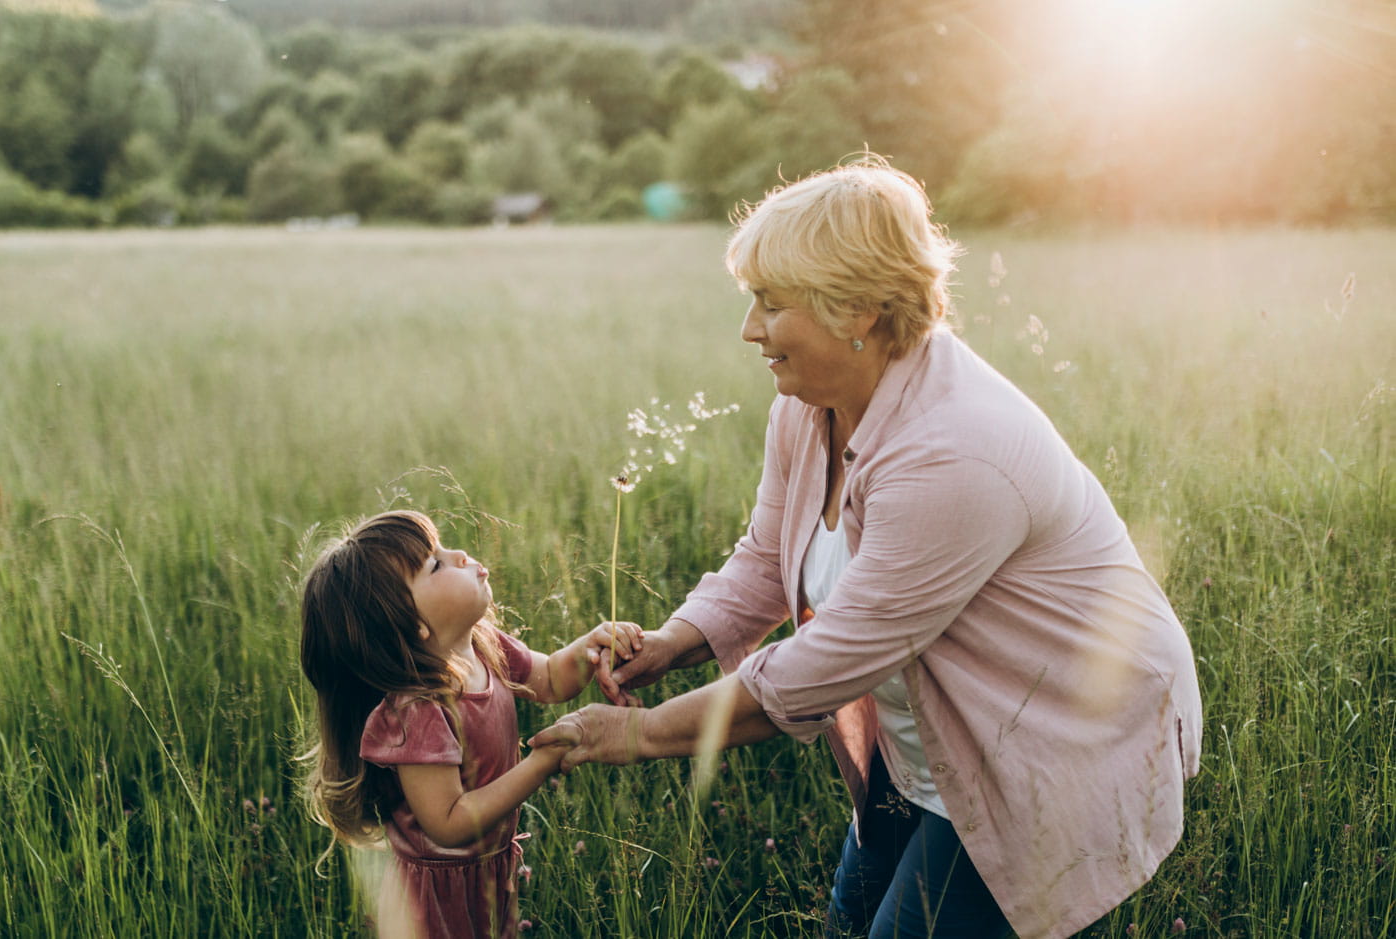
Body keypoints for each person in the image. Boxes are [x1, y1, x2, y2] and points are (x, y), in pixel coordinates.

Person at [533, 156, 1202, 939]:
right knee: (850, 925)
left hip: (1046, 742)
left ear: (854, 309)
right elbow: (763, 555)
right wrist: (672, 642)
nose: (750, 329)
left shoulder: (953, 454)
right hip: (930, 741)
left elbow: (826, 664)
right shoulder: (811, 403)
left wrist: (643, 733)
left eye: (771, 303)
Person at [300, 510, 642, 939]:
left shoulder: (484, 645)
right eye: (436, 564)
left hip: (487, 868)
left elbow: (552, 678)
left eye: (443, 546)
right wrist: (540, 763)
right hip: (434, 896)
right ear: (415, 625)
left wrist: (590, 648)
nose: (459, 554)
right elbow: (448, 822)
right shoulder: (419, 710)